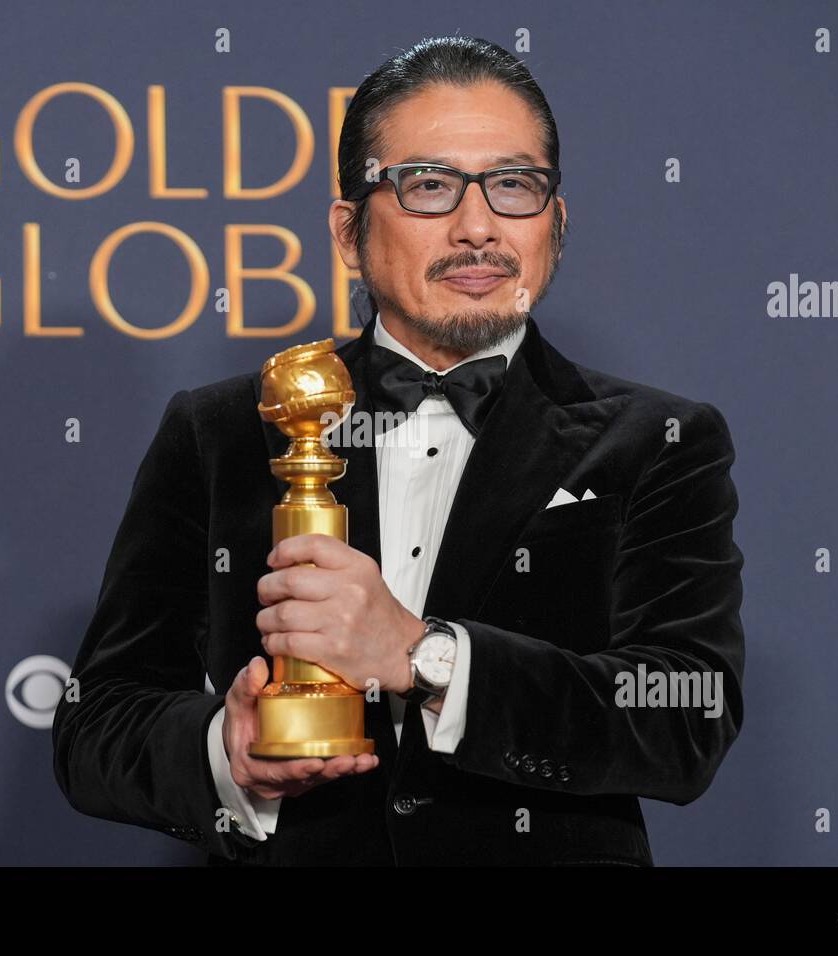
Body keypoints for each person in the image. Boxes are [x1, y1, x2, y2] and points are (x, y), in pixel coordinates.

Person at [52, 35, 745, 866]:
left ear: (556, 225)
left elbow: (684, 718)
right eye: (429, 186)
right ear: (349, 232)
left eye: (514, 185)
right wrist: (223, 753)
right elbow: (97, 724)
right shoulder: (223, 429)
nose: (479, 227)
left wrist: (423, 656)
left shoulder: (661, 440)